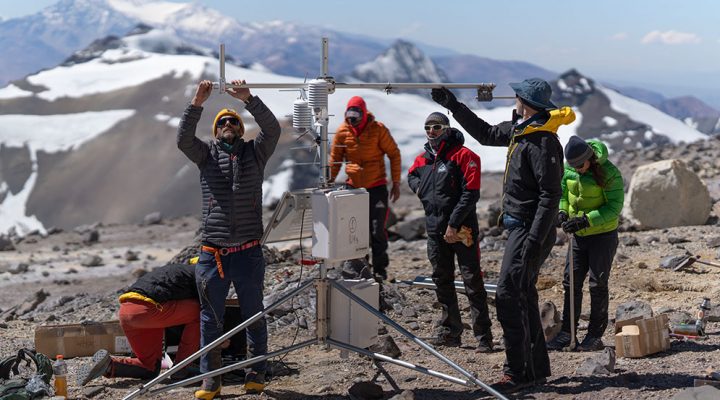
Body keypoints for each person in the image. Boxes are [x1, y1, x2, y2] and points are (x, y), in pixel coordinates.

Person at [432, 78, 575, 393]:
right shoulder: (523, 130)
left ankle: (517, 372)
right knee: (523, 295)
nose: (514, 99)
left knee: (509, 296)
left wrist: (534, 241)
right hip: (523, 229)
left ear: (524, 100)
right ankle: (534, 368)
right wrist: (452, 105)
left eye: (517, 95)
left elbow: (550, 196)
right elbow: (484, 134)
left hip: (528, 230)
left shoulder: (542, 141)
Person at [177, 79, 281, 399]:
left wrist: (249, 99)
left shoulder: (255, 153)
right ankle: (212, 379)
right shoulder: (205, 155)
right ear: (215, 130)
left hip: (248, 251)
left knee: (253, 314)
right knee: (210, 318)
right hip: (213, 253)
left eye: (232, 122)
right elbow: (183, 139)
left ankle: (256, 373)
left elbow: (272, 129)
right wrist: (197, 102)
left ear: (240, 128)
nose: (227, 126)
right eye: (222, 123)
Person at [407, 112, 494, 352]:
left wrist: (453, 224)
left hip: (462, 229)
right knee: (441, 280)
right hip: (435, 231)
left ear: (446, 128)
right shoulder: (423, 160)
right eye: (428, 127)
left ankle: (483, 336)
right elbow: (411, 176)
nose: (431, 131)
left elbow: (471, 194)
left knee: (472, 281)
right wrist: (421, 190)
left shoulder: (464, 156)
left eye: (436, 127)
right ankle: (450, 331)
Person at [547, 136, 624, 351]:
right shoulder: (570, 169)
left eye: (581, 165)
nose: (578, 170)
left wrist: (587, 219)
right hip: (579, 236)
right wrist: (562, 211)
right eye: (574, 166)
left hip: (603, 236)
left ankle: (594, 335)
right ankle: (567, 333)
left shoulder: (609, 173)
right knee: (571, 282)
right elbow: (564, 193)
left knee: (597, 284)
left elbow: (615, 207)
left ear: (590, 159)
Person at [76, 263, 200, 386]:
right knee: (202, 314)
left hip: (127, 312)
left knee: (150, 368)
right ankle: (181, 370)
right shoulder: (204, 275)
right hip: (149, 311)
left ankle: (108, 365)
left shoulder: (183, 270)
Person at [329, 96, 402, 281]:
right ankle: (360, 267)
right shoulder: (342, 131)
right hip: (353, 188)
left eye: (355, 114)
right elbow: (335, 159)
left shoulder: (378, 129)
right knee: (354, 229)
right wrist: (328, 181)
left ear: (364, 112)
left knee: (377, 229)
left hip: (377, 186)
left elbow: (394, 153)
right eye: (349, 114)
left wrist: (397, 182)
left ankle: (380, 270)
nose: (352, 118)